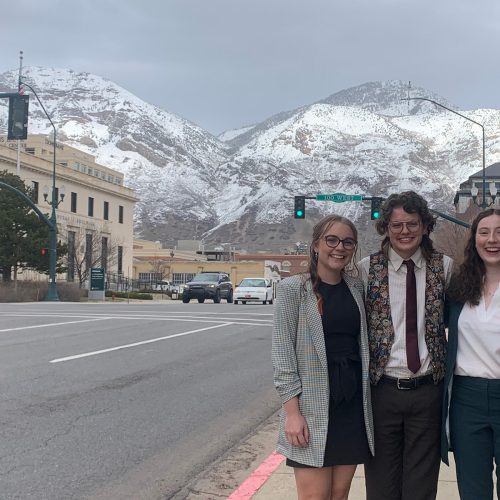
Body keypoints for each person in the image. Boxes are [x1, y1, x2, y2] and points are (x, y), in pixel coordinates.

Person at [359, 191, 454, 500]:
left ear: (425, 226)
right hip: (382, 392)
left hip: (428, 392)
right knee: (380, 486)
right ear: (386, 227)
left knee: (421, 487)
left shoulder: (445, 268)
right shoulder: (365, 270)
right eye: (396, 224)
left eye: (412, 224)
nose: (404, 232)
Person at [272, 214, 374, 500]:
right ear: (316, 245)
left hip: (351, 407)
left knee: (339, 495)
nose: (339, 247)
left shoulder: (357, 289)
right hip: (311, 408)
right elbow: (282, 356)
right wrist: (292, 413)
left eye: (347, 242)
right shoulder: (293, 290)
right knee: (314, 497)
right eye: (331, 240)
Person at [441, 208, 500, 500]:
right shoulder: (459, 288)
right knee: (473, 491)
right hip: (467, 401)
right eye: (485, 232)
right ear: (474, 239)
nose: (492, 240)